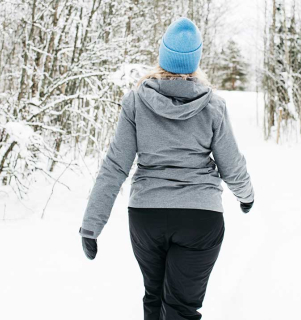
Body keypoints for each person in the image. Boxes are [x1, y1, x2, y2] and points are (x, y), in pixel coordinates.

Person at [79, 17, 255, 320]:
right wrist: (246, 196)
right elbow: (231, 163)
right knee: (180, 310)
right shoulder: (213, 105)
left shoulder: (136, 101)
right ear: (195, 61)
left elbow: (115, 166)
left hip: (147, 216)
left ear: (163, 55)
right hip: (200, 219)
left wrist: (92, 224)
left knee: (154, 297)